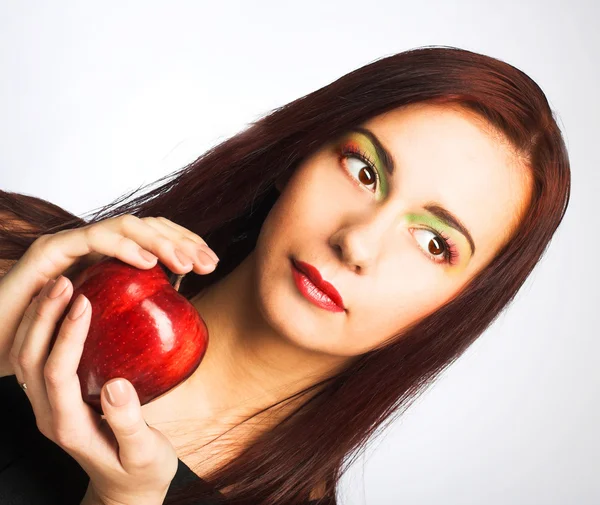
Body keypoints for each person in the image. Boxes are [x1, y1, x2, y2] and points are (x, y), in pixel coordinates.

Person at [0, 45, 571, 505]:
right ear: (297, 159)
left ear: (458, 305)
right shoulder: (22, 252)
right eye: (364, 171)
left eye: (433, 242)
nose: (358, 242)